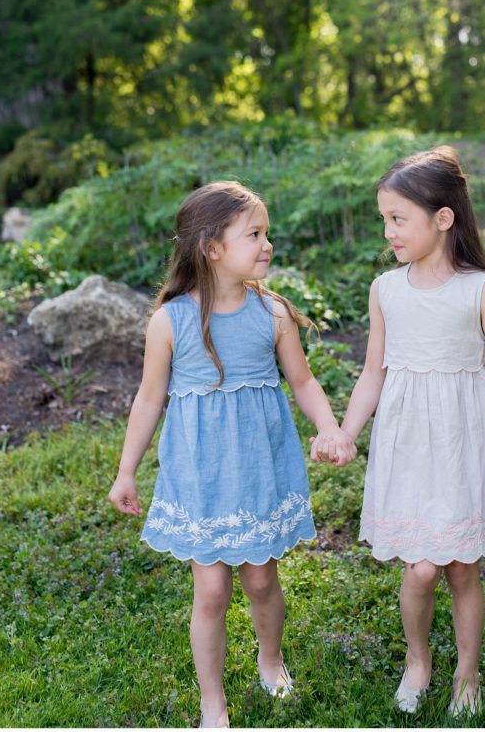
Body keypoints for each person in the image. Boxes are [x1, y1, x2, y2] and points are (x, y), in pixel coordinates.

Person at [108, 181, 355, 730]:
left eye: (267, 233)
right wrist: (127, 471)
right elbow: (149, 398)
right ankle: (212, 701)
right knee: (212, 589)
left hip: (258, 467)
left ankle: (271, 659)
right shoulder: (169, 321)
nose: (267, 245)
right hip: (201, 475)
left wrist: (331, 426)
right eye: (254, 235)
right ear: (212, 248)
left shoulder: (272, 313)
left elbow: (304, 380)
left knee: (262, 580)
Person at [324, 145, 485, 717]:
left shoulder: (481, 290)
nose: (388, 231)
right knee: (420, 568)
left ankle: (467, 671)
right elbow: (372, 373)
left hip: (464, 444)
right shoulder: (387, 289)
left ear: (443, 218)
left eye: (398, 218)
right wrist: (346, 430)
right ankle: (418, 659)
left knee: (462, 566)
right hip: (408, 444)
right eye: (384, 219)